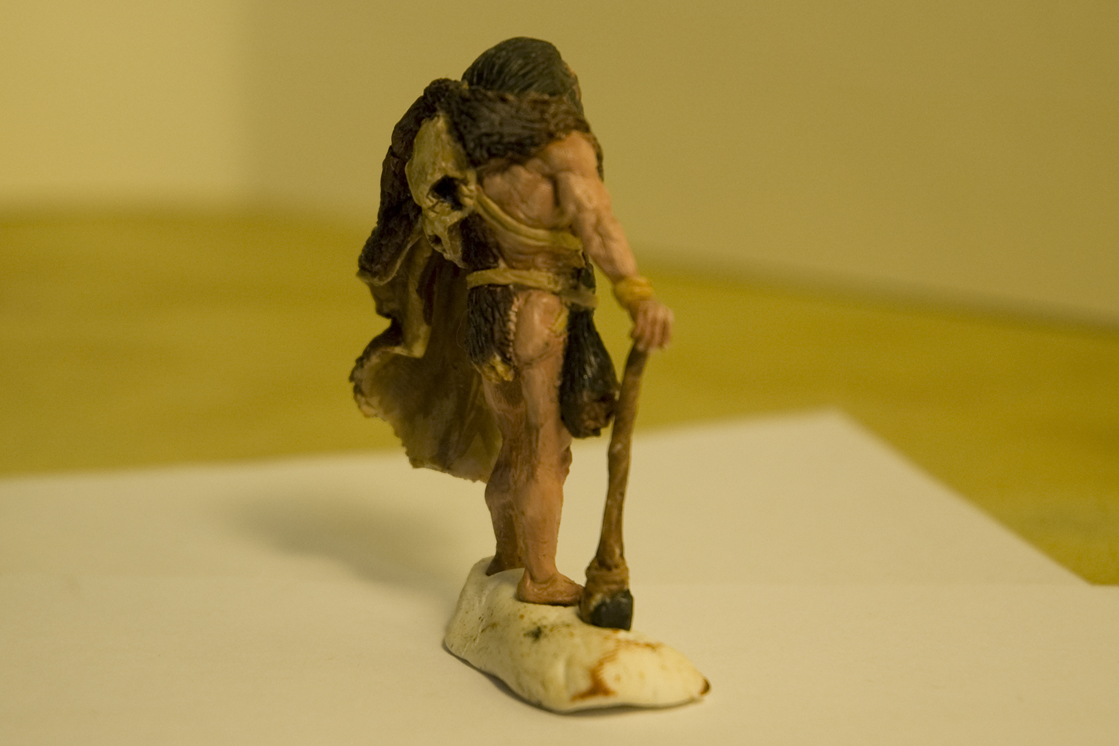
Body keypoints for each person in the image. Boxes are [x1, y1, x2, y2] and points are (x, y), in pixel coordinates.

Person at [351, 38, 672, 605]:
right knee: (545, 453)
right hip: (540, 312)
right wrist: (636, 293)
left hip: (486, 316)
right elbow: (597, 223)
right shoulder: (562, 146)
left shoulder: (460, 148)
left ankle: (510, 556)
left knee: (513, 447)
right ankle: (540, 578)